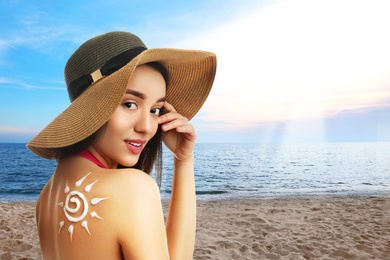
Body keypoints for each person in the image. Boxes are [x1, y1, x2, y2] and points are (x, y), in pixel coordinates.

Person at [27, 31, 216, 260]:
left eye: (155, 110)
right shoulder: (132, 189)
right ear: (89, 108)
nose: (147, 127)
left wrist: (183, 159)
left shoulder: (46, 198)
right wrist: (184, 163)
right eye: (129, 104)